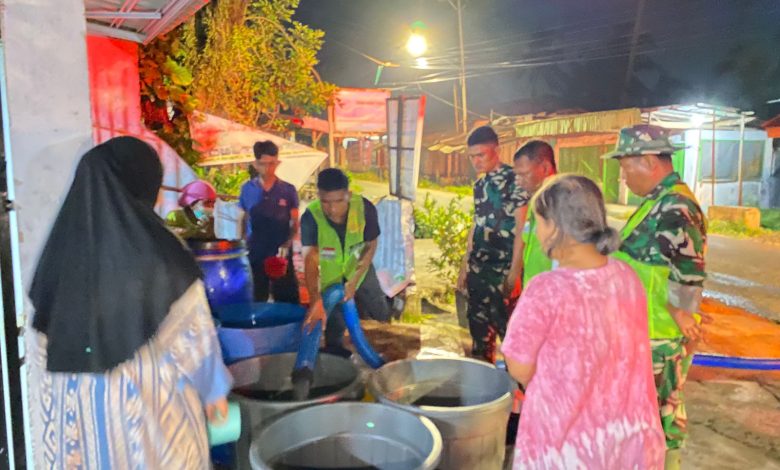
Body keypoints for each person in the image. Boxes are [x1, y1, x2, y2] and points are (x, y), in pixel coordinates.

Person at [28, 136, 232, 469]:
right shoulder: (162, 255)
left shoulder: (57, 259)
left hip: (78, 432)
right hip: (147, 423)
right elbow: (193, 337)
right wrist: (214, 392)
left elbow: (40, 349)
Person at [502, 174, 665, 469]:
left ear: (556, 226)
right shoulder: (626, 277)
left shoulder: (546, 289)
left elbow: (518, 366)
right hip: (628, 440)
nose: (537, 232)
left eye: (539, 223)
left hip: (567, 447)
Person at [604, 124, 709, 469]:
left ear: (649, 161)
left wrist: (682, 317)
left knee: (659, 425)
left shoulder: (676, 205)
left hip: (659, 339)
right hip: (643, 332)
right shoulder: (658, 202)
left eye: (626, 167)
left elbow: (689, 271)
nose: (624, 177)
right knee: (642, 423)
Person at [456, 126, 528, 362]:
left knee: (513, 342)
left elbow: (522, 230)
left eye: (481, 155)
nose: (476, 161)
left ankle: (513, 384)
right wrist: (465, 265)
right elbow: (476, 225)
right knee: (479, 341)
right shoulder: (480, 185)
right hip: (479, 271)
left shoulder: (515, 181)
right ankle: (484, 381)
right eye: (472, 157)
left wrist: (515, 272)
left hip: (503, 271)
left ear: (496, 150)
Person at [301, 168, 390, 357]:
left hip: (361, 271)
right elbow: (310, 259)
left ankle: (383, 360)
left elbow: (371, 244)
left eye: (338, 201)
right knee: (334, 330)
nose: (332, 209)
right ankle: (338, 361)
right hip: (331, 279)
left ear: (348, 194)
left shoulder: (364, 208)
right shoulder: (311, 216)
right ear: (318, 196)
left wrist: (354, 280)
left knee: (379, 317)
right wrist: (315, 299)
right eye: (326, 202)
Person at [238, 140, 300, 303]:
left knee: (286, 296)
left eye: (272, 164)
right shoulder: (247, 189)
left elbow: (295, 221)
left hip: (280, 251)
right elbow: (243, 218)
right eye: (263, 164)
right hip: (255, 251)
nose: (268, 168)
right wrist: (242, 243)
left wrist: (288, 243)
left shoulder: (288, 190)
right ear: (255, 164)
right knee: (257, 296)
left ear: (277, 162)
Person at [507, 140, 558, 291]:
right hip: (534, 292)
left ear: (545, 168)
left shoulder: (562, 205)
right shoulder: (536, 203)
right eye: (517, 175)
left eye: (524, 174)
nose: (519, 182)